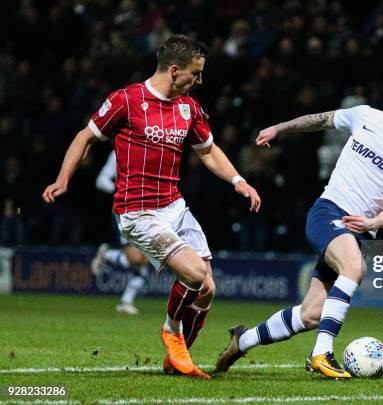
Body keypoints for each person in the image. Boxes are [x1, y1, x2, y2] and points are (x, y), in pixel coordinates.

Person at [42, 34, 261, 380]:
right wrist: (63, 178)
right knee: (193, 273)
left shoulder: (189, 108)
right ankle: (171, 331)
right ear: (174, 70)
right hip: (138, 211)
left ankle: (177, 360)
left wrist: (239, 181)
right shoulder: (126, 101)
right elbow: (85, 136)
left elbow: (207, 150)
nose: (199, 80)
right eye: (196, 73)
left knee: (207, 289)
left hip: (175, 207)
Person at [215, 76, 383, 379]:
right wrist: (279, 128)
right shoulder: (365, 117)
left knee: (311, 314)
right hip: (329, 212)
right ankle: (321, 353)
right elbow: (319, 120)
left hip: (358, 231)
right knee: (354, 268)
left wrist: (373, 222)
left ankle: (243, 340)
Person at [91, 150, 150, 315]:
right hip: (125, 210)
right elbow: (101, 180)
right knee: (138, 258)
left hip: (148, 210)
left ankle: (126, 301)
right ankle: (107, 255)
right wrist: (118, 190)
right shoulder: (119, 152)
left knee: (146, 260)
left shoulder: (152, 149)